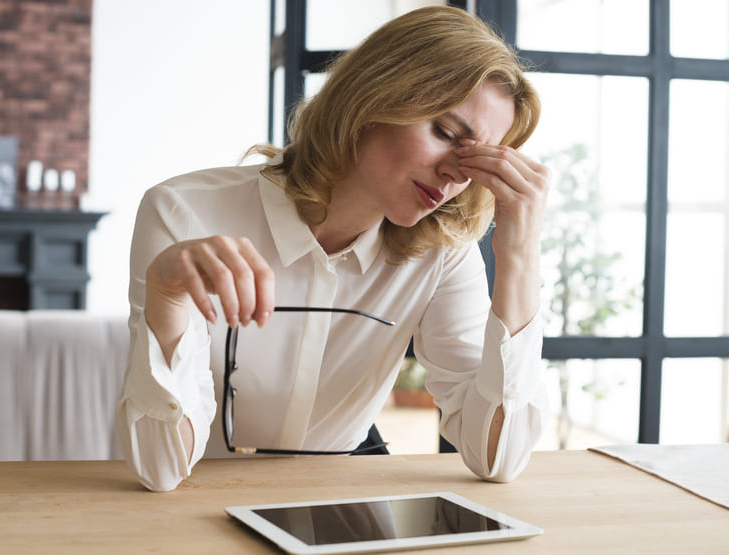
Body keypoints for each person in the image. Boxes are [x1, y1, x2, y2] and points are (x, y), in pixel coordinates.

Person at [115, 6, 549, 492]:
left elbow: (499, 457)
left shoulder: (443, 252)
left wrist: (519, 251)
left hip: (345, 502)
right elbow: (160, 468)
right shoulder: (183, 213)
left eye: (475, 161)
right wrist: (166, 294)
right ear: (370, 99)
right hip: (202, 501)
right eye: (445, 133)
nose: (455, 175)